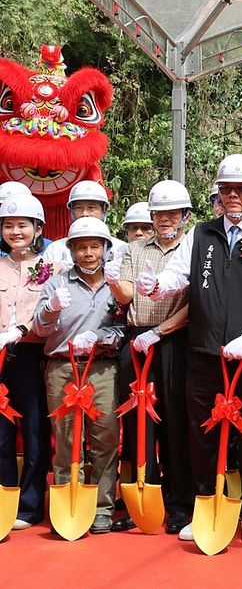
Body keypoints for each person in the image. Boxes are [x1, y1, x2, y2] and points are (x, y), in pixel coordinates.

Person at [137, 153, 242, 544]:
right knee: (201, 432)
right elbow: (178, 275)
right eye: (227, 189)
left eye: (241, 189)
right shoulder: (201, 234)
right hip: (203, 352)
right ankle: (205, 501)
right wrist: (155, 286)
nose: (233, 196)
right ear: (217, 194)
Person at [108, 180, 193, 534]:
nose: (164, 218)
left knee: (174, 419)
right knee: (136, 421)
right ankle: (142, 496)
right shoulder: (134, 249)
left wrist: (159, 332)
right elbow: (126, 296)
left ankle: (178, 504)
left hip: (174, 339)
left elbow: (193, 305)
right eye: (159, 212)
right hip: (135, 339)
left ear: (185, 216)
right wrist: (115, 282)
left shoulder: (192, 248)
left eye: (172, 212)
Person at [34, 217, 125, 534]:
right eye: (81, 247)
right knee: (65, 436)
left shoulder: (116, 285)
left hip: (101, 366)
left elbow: (125, 327)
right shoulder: (56, 283)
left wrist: (103, 337)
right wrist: (52, 308)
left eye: (94, 246)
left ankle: (101, 508)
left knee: (105, 436)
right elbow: (40, 328)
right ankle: (65, 505)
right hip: (62, 367)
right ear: (71, 250)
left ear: (105, 249)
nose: (88, 253)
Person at [0, 193, 55, 530]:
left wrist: (20, 330)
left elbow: (50, 311)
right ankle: (4, 497)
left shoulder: (51, 266)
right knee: (1, 435)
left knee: (34, 431)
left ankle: (31, 504)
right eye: (8, 225)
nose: (15, 231)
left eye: (23, 225)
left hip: (32, 356)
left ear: (37, 229)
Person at [41, 180, 110, 267]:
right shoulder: (56, 249)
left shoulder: (119, 248)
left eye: (91, 207)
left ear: (104, 210)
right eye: (78, 208)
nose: (85, 213)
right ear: (72, 212)